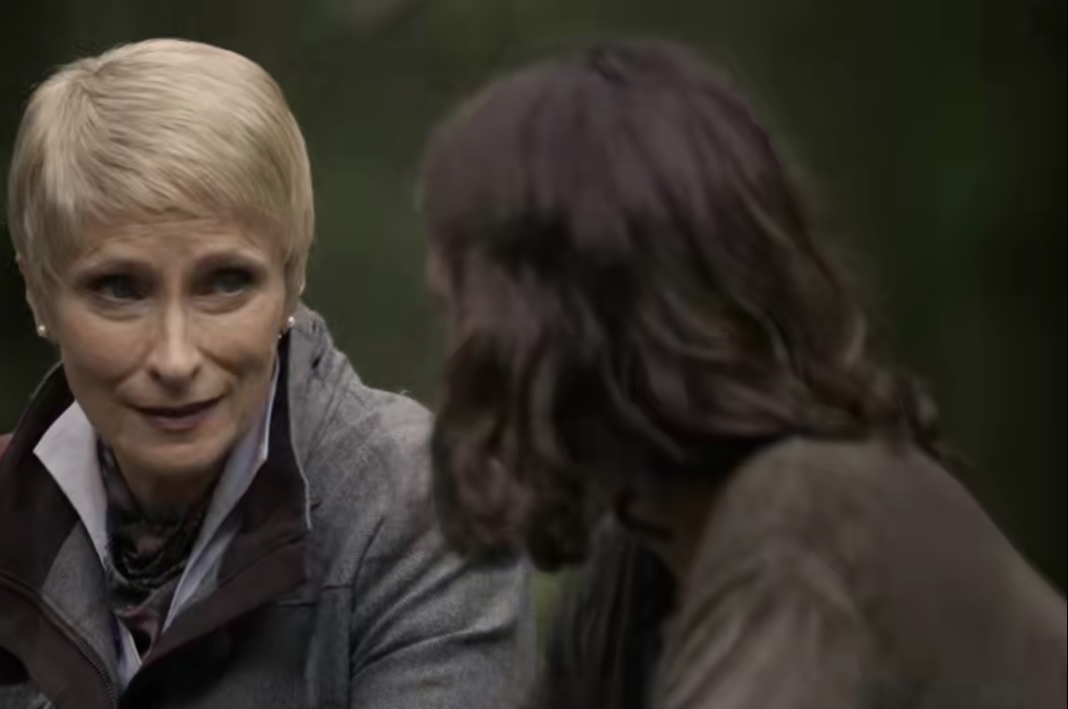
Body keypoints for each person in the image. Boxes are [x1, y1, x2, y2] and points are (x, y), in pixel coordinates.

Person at [0, 38, 532, 709]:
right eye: (119, 288)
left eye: (225, 282)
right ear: (38, 294)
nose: (176, 357)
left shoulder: (423, 503)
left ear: (293, 277)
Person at [417, 39, 1066, 709]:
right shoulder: (643, 572)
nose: (458, 353)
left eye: (465, 306)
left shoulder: (809, 519)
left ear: (557, 319)